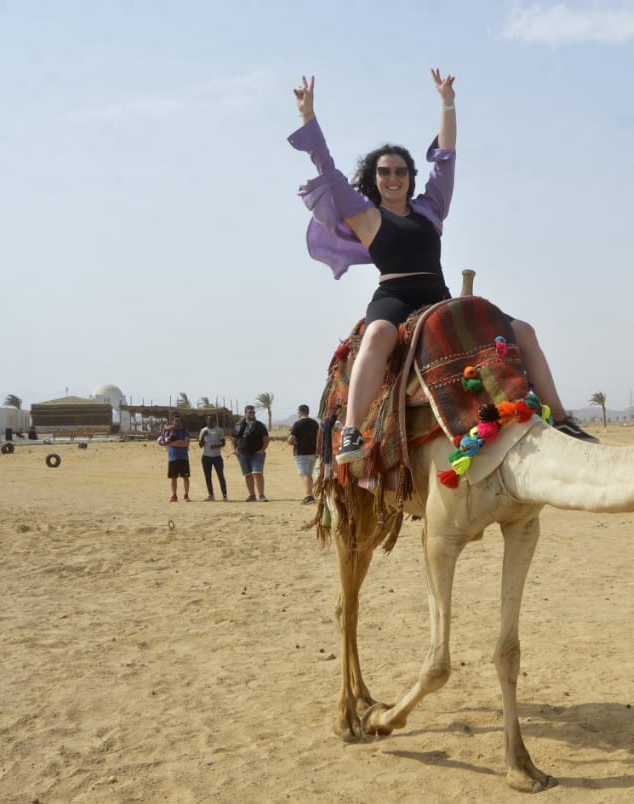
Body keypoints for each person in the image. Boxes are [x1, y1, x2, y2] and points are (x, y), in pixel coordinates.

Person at [288, 70, 597, 464]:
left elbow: (445, 159)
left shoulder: (430, 208)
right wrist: (307, 116)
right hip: (394, 297)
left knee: (522, 330)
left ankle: (563, 418)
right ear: (374, 177)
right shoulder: (363, 215)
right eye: (384, 171)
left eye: (401, 171)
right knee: (379, 333)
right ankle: (351, 431)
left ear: (409, 176)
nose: (393, 177)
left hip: (437, 295)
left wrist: (447, 104)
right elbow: (326, 167)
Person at [232, 405, 269, 502]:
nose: (252, 414)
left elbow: (266, 439)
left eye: (253, 412)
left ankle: (261, 495)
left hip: (257, 454)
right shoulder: (239, 425)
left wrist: (262, 449)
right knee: (247, 475)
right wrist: (234, 449)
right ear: (245, 413)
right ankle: (252, 495)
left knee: (258, 473)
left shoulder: (259, 425)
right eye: (250, 412)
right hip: (243, 454)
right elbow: (234, 439)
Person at [287, 404, 319, 504]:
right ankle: (310, 495)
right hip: (312, 452)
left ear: (300, 412)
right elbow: (319, 438)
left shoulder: (297, 424)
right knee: (308, 475)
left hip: (301, 453)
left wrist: (290, 441)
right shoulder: (315, 423)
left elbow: (290, 439)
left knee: (305, 475)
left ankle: (309, 496)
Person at [160, 414, 191, 502]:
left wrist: (173, 443)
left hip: (184, 457)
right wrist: (180, 442)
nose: (178, 422)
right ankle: (174, 495)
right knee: (173, 478)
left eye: (179, 420)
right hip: (173, 458)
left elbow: (186, 444)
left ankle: (186, 495)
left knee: (186, 477)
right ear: (172, 421)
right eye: (176, 420)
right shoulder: (168, 431)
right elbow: (167, 442)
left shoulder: (184, 431)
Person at [198, 413, 229, 501]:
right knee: (208, 477)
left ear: (214, 421)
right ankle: (211, 495)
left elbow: (223, 443)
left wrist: (215, 446)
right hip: (206, 457)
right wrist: (203, 435)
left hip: (217, 457)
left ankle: (224, 495)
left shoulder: (219, 430)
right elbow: (200, 445)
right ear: (206, 421)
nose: (210, 421)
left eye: (212, 420)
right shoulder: (203, 430)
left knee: (220, 476)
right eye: (208, 420)